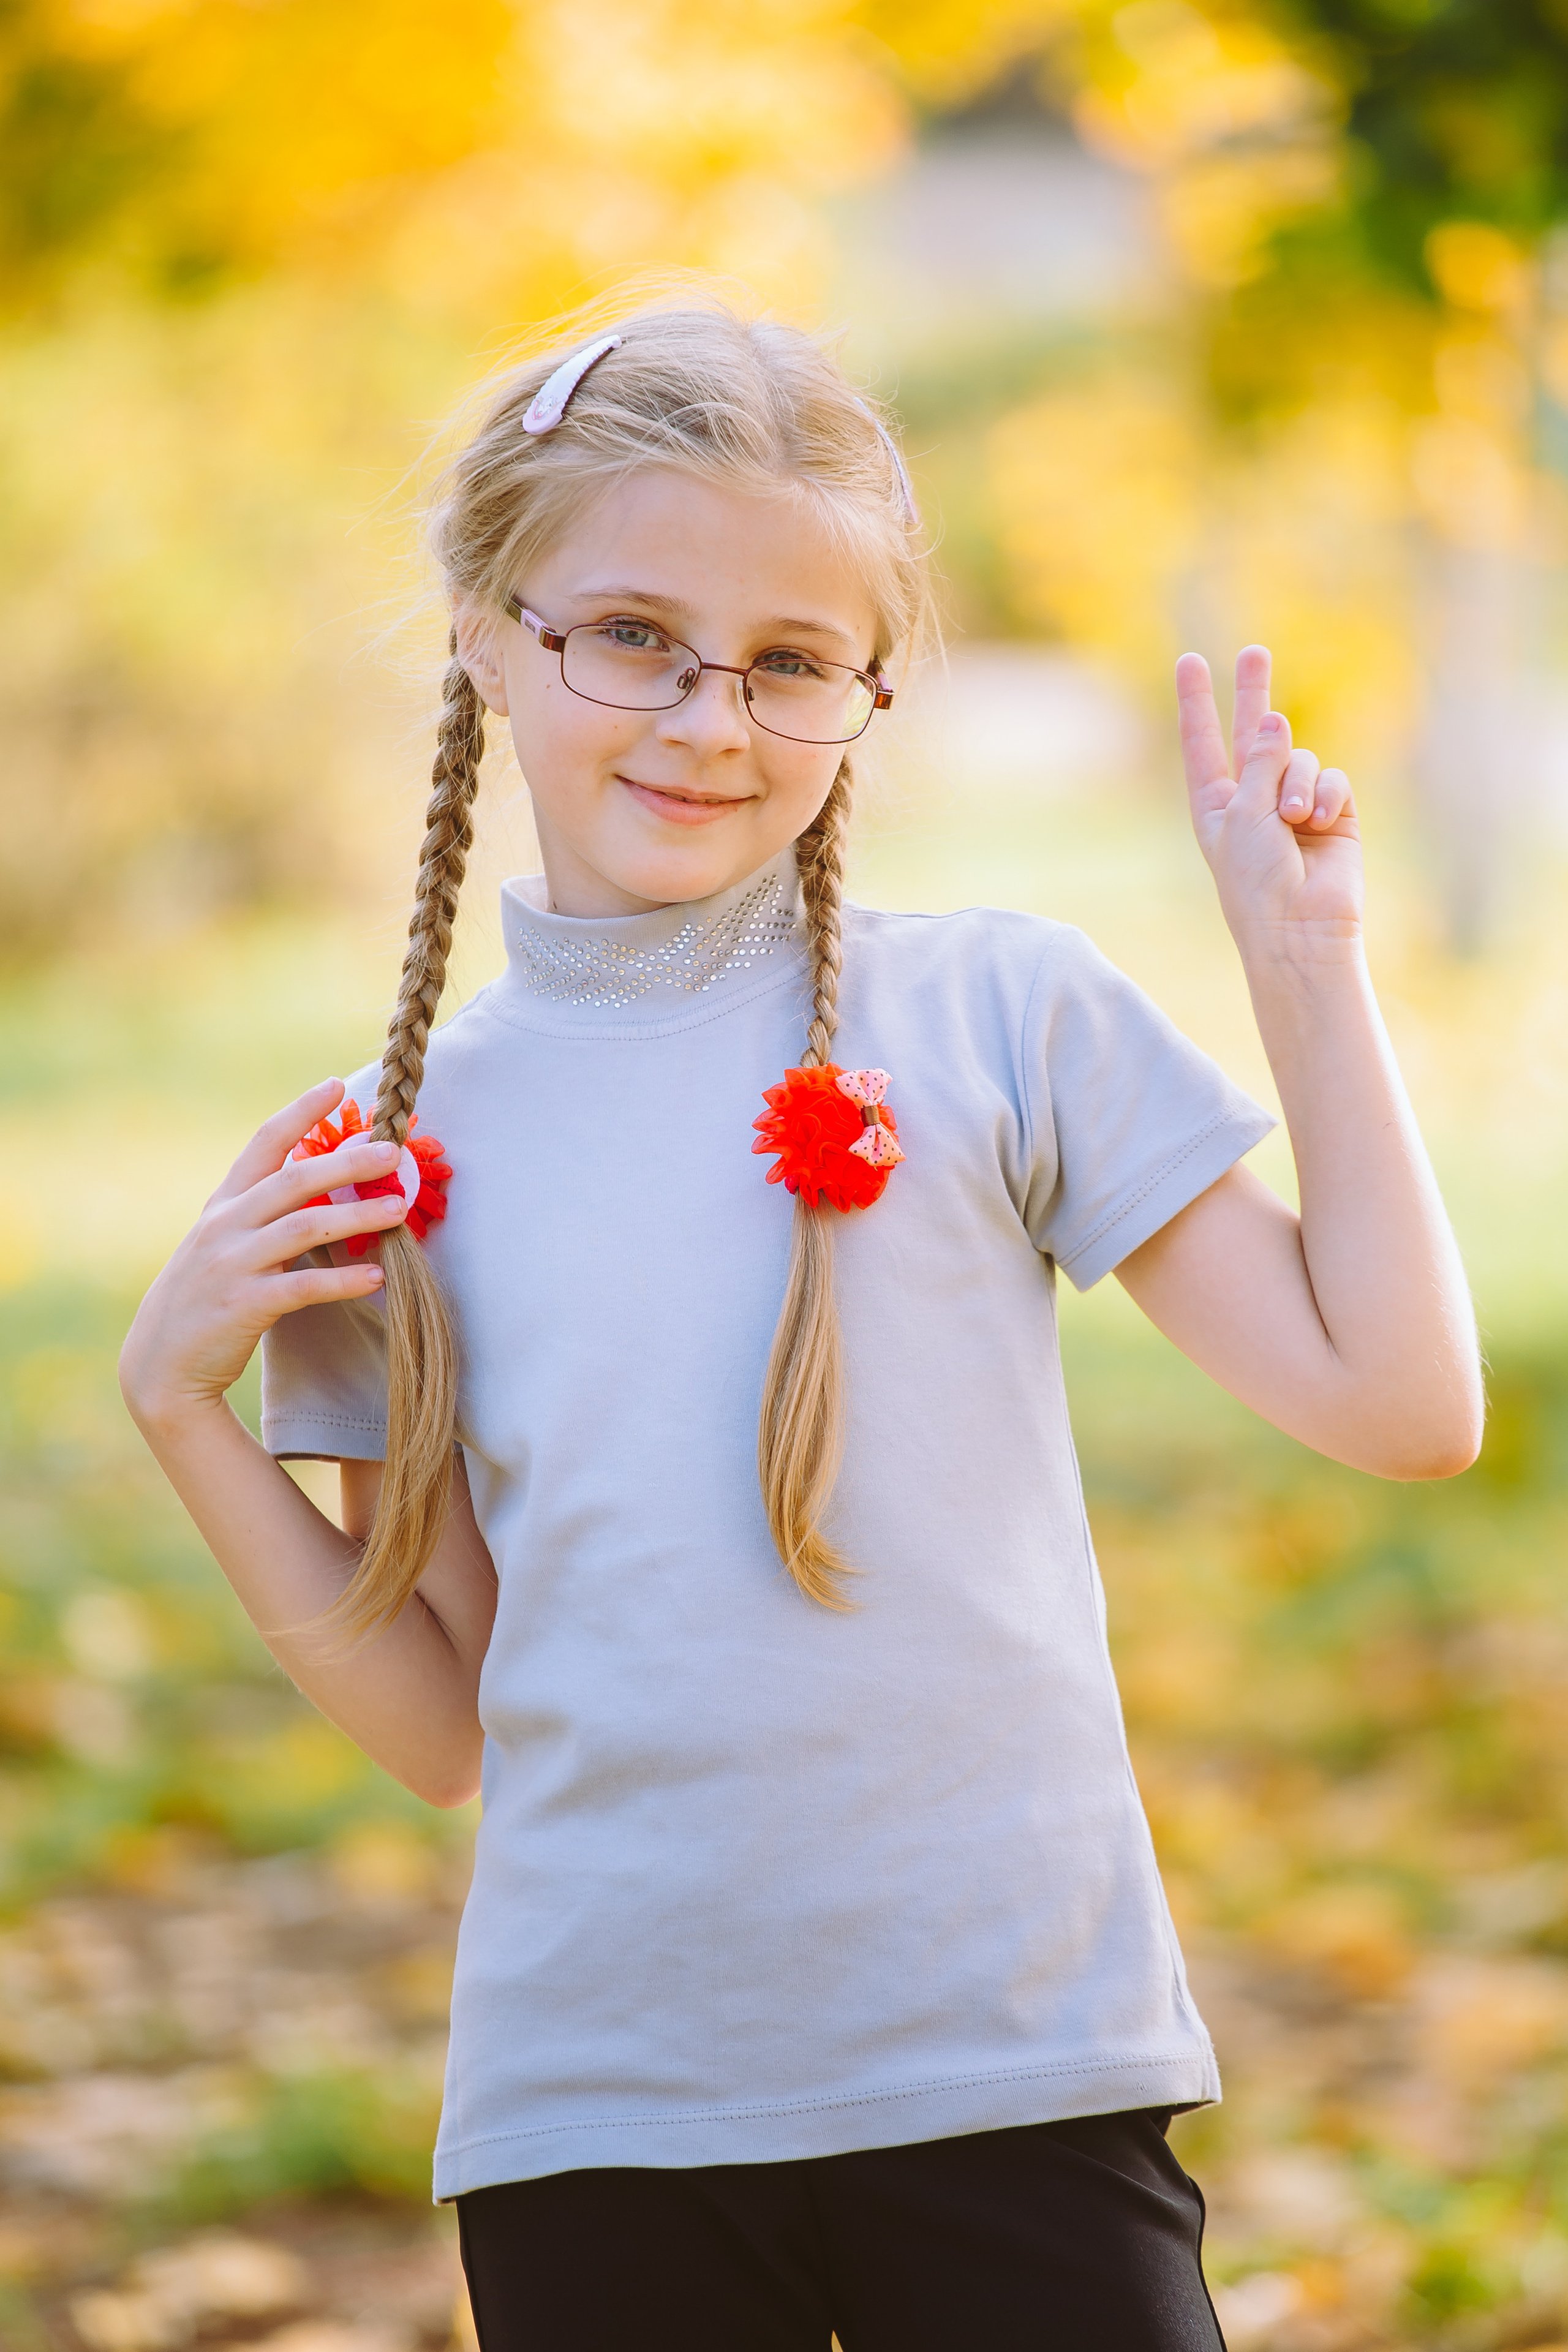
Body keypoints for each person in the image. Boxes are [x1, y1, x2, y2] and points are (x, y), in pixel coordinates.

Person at [119, 304, 1483, 2352]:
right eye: (633, 635)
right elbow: (443, 1730)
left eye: (789, 663)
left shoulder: (999, 1017)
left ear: (867, 688)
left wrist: (1307, 964)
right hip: (599, 2117)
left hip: (1016, 2068)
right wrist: (184, 1411)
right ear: (487, 631)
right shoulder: (394, 1159)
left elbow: (1401, 1408)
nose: (708, 719)